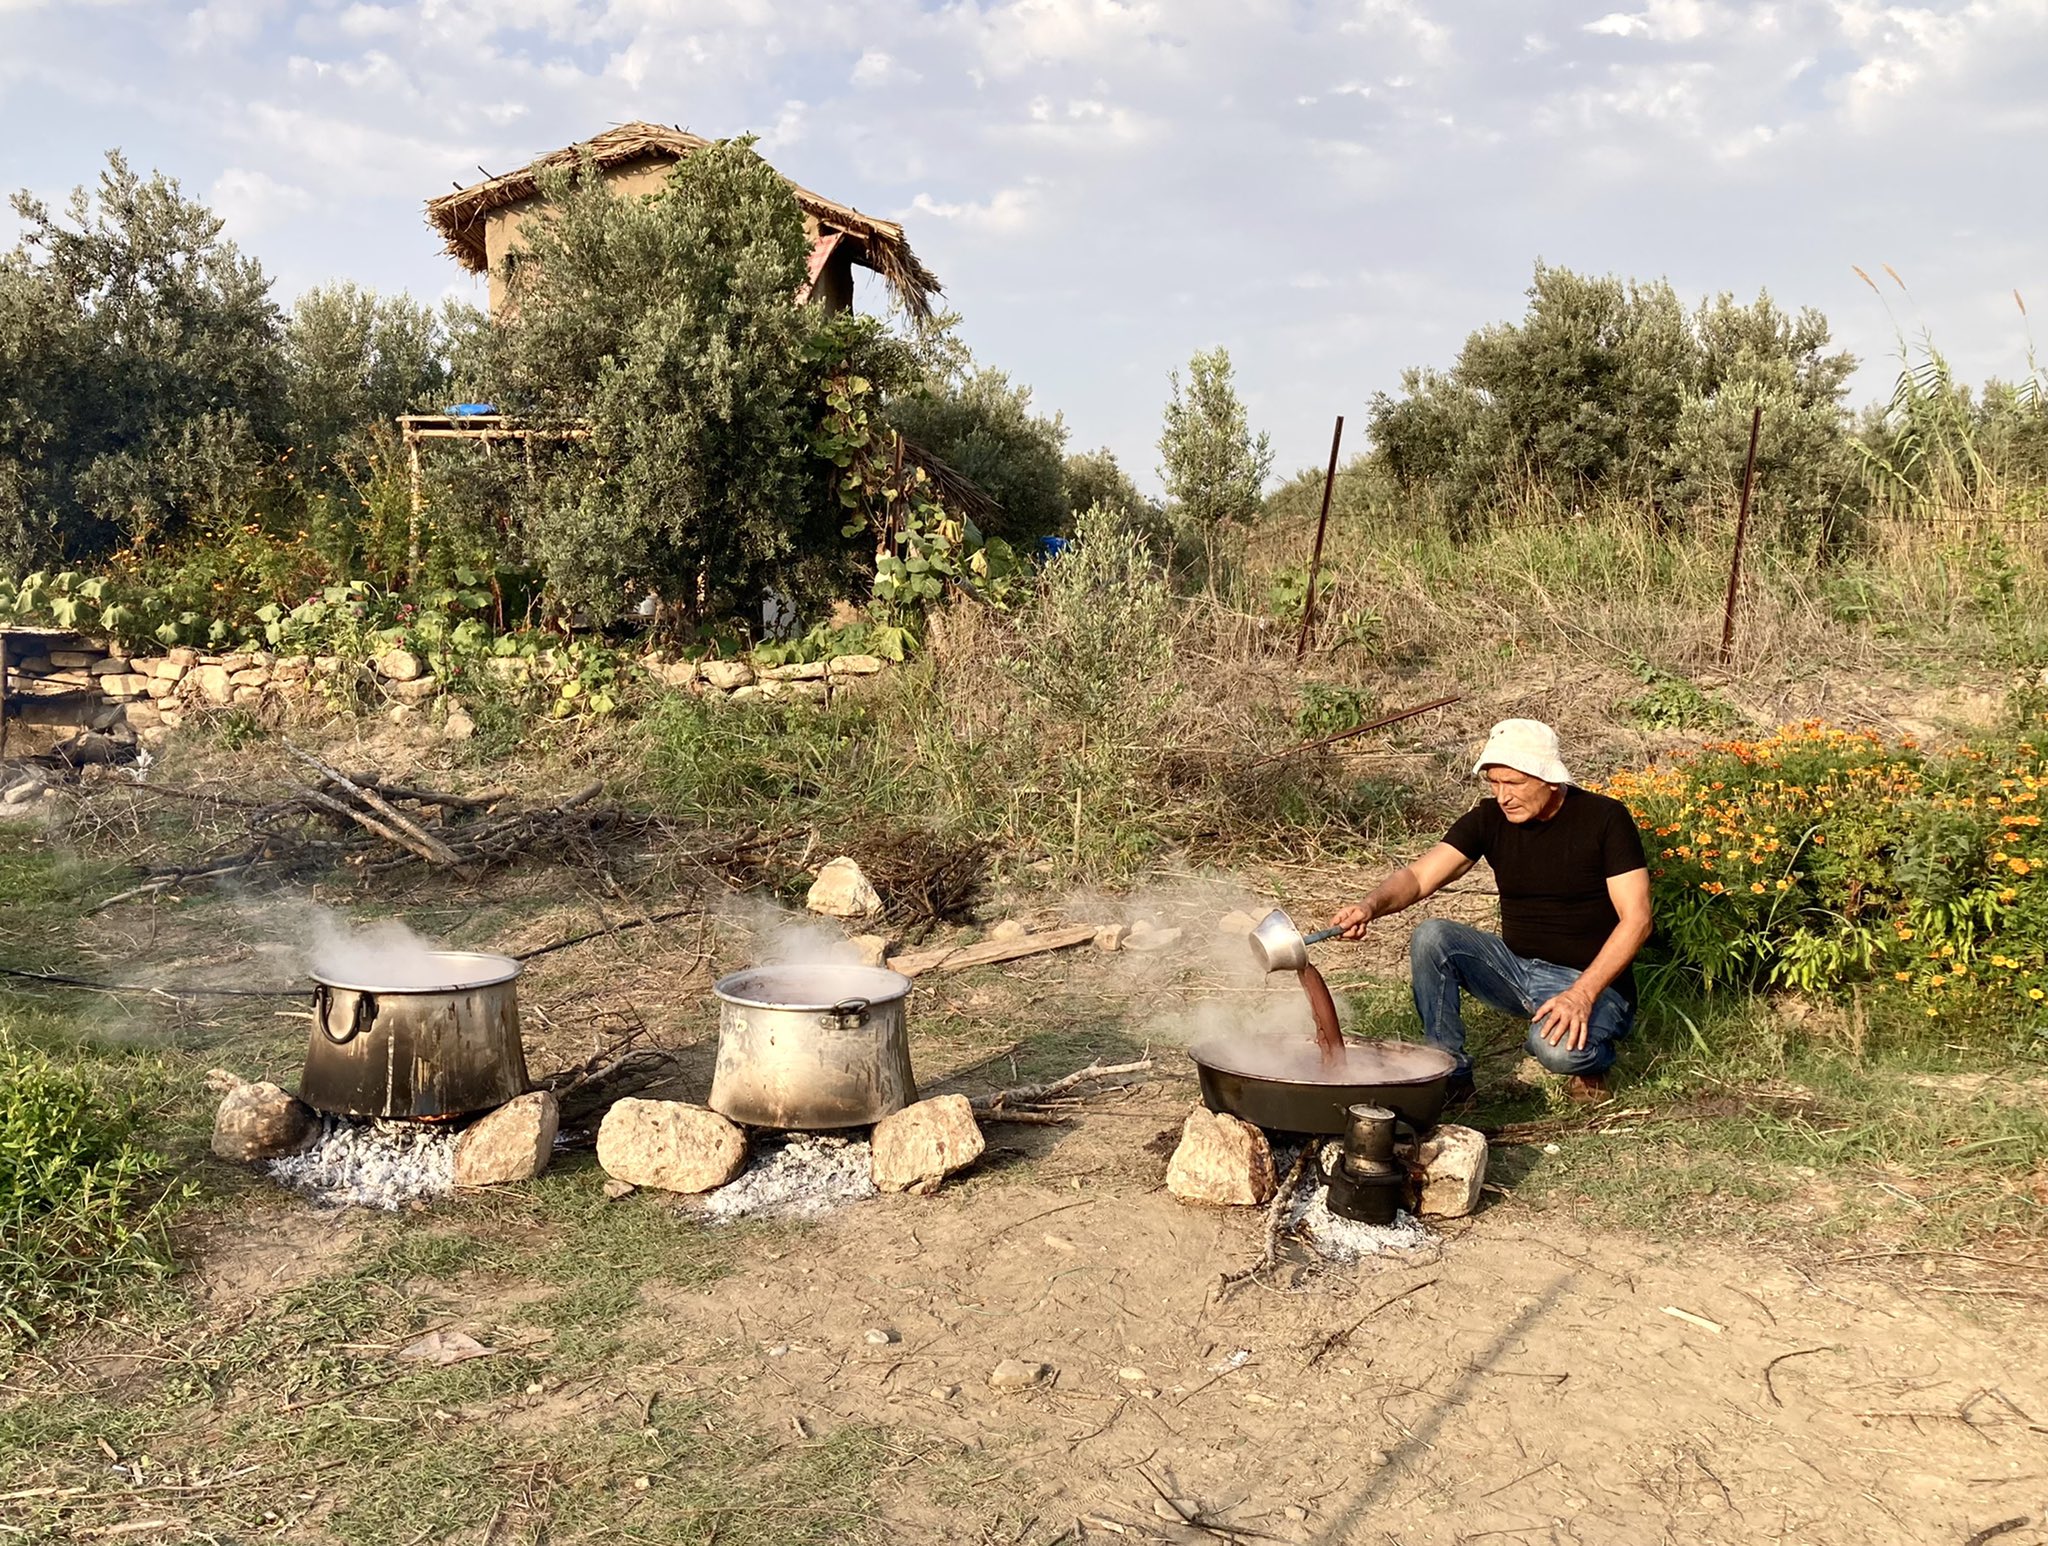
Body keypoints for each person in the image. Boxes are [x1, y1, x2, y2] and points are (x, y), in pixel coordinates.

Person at [1331, 719, 1652, 1105]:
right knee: (1433, 936)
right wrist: (1369, 906)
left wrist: (1581, 995)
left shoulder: (1605, 819)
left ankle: (1592, 1064)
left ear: (1550, 779)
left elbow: (1637, 920)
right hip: (1514, 968)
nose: (1503, 796)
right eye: (1494, 783)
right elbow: (1417, 878)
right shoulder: (1489, 819)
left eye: (1514, 783)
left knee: (1558, 1051)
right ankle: (1450, 1072)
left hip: (1589, 980)